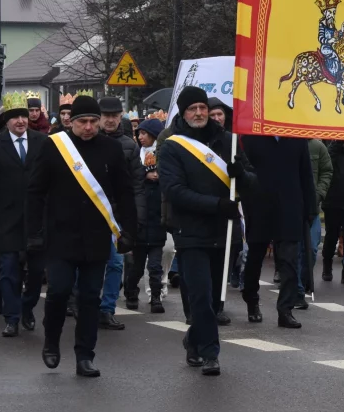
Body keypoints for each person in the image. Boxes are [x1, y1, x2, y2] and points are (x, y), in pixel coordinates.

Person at [27, 94, 137, 377]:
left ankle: (85, 355)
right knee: (59, 291)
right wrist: (34, 232)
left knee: (90, 297)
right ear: (71, 122)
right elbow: (35, 191)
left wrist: (129, 230)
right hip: (60, 235)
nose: (88, 127)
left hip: (97, 235)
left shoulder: (111, 149)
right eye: (82, 122)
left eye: (93, 121)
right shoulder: (54, 146)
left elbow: (124, 192)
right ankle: (51, 341)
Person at [157, 87, 255, 375]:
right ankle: (211, 353)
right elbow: (175, 191)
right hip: (191, 232)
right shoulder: (173, 146)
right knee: (199, 296)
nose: (199, 113)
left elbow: (252, 183)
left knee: (214, 299)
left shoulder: (228, 141)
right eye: (192, 109)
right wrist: (216, 205)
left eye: (202, 107)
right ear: (183, 113)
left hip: (225, 231)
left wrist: (242, 175)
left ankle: (193, 339)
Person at [0, 94, 49, 337]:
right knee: (8, 270)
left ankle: (27, 308)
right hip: (7, 218)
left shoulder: (42, 141)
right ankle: (12, 317)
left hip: (37, 218)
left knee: (37, 270)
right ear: (6, 121)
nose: (20, 121)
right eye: (15, 117)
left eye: (23, 116)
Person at [241, 131, 316, 329]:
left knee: (289, 261)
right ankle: (251, 300)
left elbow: (305, 173)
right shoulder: (251, 137)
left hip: (290, 205)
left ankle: (286, 309)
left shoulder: (297, 138)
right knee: (255, 258)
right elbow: (244, 171)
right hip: (259, 205)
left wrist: (310, 207)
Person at [97, 96, 146, 331]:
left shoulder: (130, 145)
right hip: (90, 212)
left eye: (114, 116)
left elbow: (137, 185)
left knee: (116, 263)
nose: (110, 120)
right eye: (106, 116)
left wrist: (136, 219)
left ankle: (107, 309)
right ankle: (82, 303)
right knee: (88, 263)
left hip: (116, 215)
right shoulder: (84, 142)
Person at [127, 118, 167, 312]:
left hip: (158, 219)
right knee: (136, 266)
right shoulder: (137, 155)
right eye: (139, 133)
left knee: (156, 266)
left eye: (144, 133)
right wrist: (144, 175)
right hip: (140, 220)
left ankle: (156, 298)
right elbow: (129, 177)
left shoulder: (164, 154)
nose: (140, 137)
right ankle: (131, 292)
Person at [298, 138, 332, 305]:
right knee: (293, 249)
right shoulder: (285, 142)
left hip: (312, 207)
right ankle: (295, 287)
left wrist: (318, 193)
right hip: (291, 205)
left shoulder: (318, 146)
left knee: (311, 248)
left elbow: (327, 171)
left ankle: (304, 281)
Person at [321, 140, 344, 283]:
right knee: (331, 235)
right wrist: (337, 144)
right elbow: (327, 164)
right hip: (332, 201)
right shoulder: (331, 151)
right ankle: (327, 266)